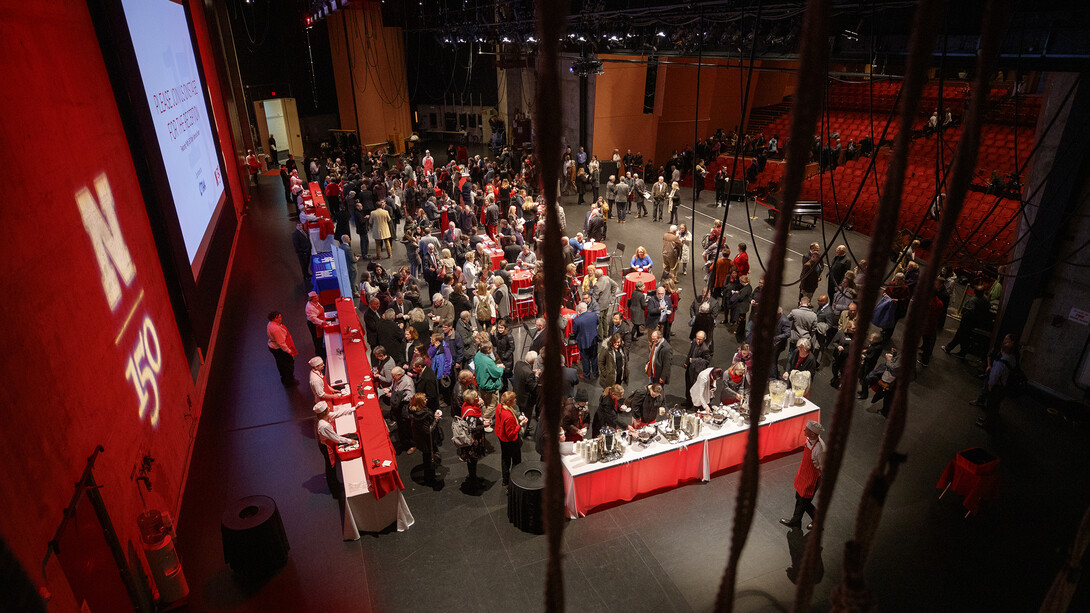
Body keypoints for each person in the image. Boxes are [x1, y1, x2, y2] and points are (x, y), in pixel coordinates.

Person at [779, 420, 826, 530]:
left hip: (812, 478)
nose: (804, 430)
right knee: (800, 498)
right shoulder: (809, 440)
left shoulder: (819, 449)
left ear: (813, 434)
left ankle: (798, 521)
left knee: (804, 501)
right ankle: (801, 520)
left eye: (807, 430)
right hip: (803, 474)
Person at [313, 401, 360, 499]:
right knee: (331, 467)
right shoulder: (324, 426)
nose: (330, 409)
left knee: (331, 466)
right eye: (328, 409)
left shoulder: (323, 418)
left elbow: (338, 413)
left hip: (327, 443)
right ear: (324, 412)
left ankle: (335, 485)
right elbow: (336, 438)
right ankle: (334, 489)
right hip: (326, 447)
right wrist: (350, 441)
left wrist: (354, 408)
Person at [977, 336, 1017, 430]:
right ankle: (988, 420)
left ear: (1002, 351)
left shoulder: (1000, 363)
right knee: (996, 406)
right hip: (1004, 386)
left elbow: (994, 376)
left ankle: (987, 424)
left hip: (996, 387)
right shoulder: (1012, 359)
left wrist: (990, 386)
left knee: (991, 406)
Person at [457, 390, 489, 492]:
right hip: (472, 442)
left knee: (472, 462)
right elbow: (472, 429)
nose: (478, 397)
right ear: (471, 400)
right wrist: (484, 425)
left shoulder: (466, 405)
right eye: (476, 397)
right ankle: (473, 482)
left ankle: (473, 478)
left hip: (472, 440)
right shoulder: (470, 413)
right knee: (472, 461)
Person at [494, 391, 528, 487]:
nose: (516, 400)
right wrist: (520, 424)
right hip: (510, 441)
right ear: (509, 402)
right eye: (514, 399)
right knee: (516, 460)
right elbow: (511, 433)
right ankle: (514, 481)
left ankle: (505, 479)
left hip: (501, 436)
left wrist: (518, 416)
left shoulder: (500, 406)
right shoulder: (509, 417)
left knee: (505, 458)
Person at [408, 392, 442, 484]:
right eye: (424, 399)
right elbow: (428, 430)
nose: (427, 400)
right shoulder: (422, 415)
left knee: (426, 458)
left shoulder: (417, 412)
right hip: (427, 442)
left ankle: (430, 476)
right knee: (429, 458)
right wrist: (436, 419)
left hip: (421, 440)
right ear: (421, 403)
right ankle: (430, 478)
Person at [474, 341, 505, 424]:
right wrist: (501, 368)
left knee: (484, 403)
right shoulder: (488, 361)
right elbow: (497, 373)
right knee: (492, 405)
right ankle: (485, 420)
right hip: (490, 387)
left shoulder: (478, 355)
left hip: (481, 384)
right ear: (488, 350)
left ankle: (484, 417)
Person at [266, 311, 298, 385]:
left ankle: (284, 378)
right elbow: (281, 343)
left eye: (280, 316)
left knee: (280, 364)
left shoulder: (270, 324)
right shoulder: (276, 329)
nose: (280, 319)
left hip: (272, 347)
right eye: (278, 317)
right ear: (273, 318)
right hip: (278, 349)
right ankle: (289, 381)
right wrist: (289, 351)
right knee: (288, 365)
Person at [570, 302, 600, 380]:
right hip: (593, 340)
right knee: (594, 357)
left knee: (585, 359)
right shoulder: (593, 315)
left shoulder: (577, 320)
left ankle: (586, 375)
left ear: (579, 309)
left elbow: (574, 331)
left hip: (583, 342)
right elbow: (598, 323)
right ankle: (596, 373)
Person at [304, 292, 327, 359]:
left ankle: (321, 349)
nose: (317, 298)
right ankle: (319, 353)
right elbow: (313, 319)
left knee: (320, 337)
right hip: (314, 325)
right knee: (317, 339)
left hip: (319, 322)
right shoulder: (310, 307)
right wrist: (322, 322)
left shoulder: (316, 303)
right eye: (316, 297)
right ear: (312, 299)